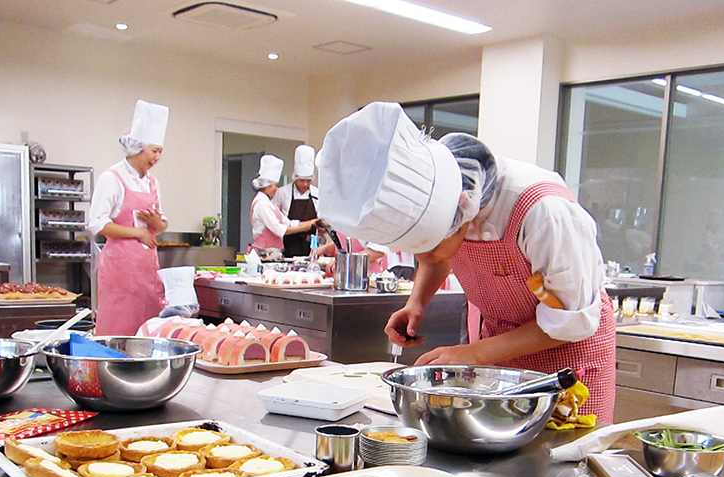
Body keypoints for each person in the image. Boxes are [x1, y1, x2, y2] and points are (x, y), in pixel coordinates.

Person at [318, 101, 616, 421]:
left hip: (566, 364)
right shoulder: (448, 192)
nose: (423, 258)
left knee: (562, 463)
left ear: (463, 210)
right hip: (495, 351)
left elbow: (567, 321)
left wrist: (471, 354)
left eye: (428, 248)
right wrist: (417, 303)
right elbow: (438, 253)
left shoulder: (544, 212)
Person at [88, 99, 169, 336]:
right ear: (137, 148)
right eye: (154, 151)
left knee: (148, 329)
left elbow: (162, 223)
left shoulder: (152, 182)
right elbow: (97, 223)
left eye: (160, 152)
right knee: (119, 328)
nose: (157, 157)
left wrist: (157, 225)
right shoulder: (112, 178)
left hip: (147, 267)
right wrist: (138, 232)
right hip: (121, 269)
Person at [249, 154, 320, 261]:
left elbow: (287, 222)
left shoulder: (268, 202)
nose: (276, 189)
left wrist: (313, 222)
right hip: (265, 254)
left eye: (308, 180)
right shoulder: (261, 204)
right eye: (275, 185)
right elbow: (279, 229)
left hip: (276, 252)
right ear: (267, 186)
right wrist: (308, 226)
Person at [272, 144, 321, 257]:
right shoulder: (282, 192)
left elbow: (322, 219)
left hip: (310, 246)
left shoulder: (317, 193)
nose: (305, 184)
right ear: (295, 178)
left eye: (308, 181)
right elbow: (275, 219)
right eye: (301, 180)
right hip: (288, 244)